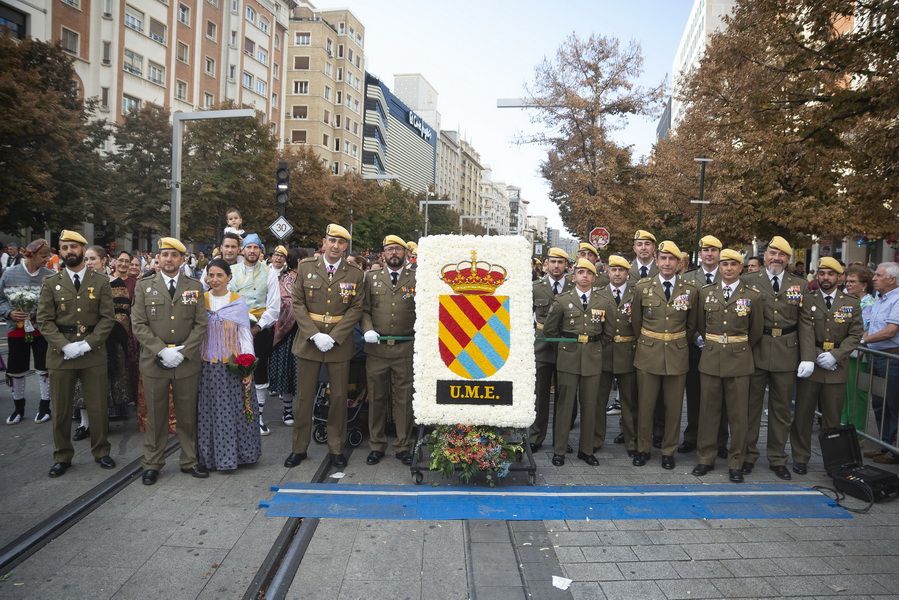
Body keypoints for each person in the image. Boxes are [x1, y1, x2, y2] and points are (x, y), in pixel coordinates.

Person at [36, 230, 116, 477]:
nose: (68, 251)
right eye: (64, 248)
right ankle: (62, 455)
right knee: (60, 408)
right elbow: (44, 320)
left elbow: (107, 318)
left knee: (98, 406)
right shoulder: (51, 283)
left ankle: (101, 451)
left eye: (73, 247)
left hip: (93, 353)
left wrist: (89, 343)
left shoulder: (100, 281)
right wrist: (64, 345)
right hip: (62, 353)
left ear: (82, 249)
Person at [285, 223, 364, 469]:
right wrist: (313, 334)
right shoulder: (306, 267)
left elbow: (356, 308)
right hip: (310, 342)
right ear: (324, 241)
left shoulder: (354, 273)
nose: (336, 246)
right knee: (305, 398)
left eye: (341, 243)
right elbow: (297, 303)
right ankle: (299, 448)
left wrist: (335, 336)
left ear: (345, 246)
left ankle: (336, 448)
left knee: (339, 398)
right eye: (332, 241)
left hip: (338, 344)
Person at [131, 237, 208, 485]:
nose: (169, 259)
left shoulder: (195, 286)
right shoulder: (144, 286)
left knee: (187, 415)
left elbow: (200, 324)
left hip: (186, 362)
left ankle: (189, 460)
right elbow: (139, 324)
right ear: (157, 258)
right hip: (155, 361)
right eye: (164, 254)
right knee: (156, 415)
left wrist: (183, 352)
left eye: (174, 255)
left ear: (182, 259)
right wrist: (161, 351)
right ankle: (152, 462)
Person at [692, 249, 763, 482]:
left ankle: (736, 461)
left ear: (741, 268)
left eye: (734, 264)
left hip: (739, 360)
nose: (729, 268)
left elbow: (755, 331)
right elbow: (701, 325)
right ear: (719, 267)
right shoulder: (706, 293)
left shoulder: (752, 295)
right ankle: (705, 458)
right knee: (708, 412)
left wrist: (735, 346)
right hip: (711, 358)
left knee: (738, 415)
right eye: (725, 264)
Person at [742, 236, 809, 480]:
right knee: (751, 407)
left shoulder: (799, 285)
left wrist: (807, 357)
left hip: (787, 351)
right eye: (772, 253)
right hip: (756, 349)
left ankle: (777, 457)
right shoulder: (749, 280)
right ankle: (747, 455)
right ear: (765, 255)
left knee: (781, 410)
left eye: (782, 255)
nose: (776, 258)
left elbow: (805, 323)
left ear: (788, 259)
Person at [790, 257, 863, 475]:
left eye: (830, 274)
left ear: (839, 277)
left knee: (832, 418)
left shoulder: (851, 302)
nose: (825, 278)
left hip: (836, 368)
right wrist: (815, 356)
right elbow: (805, 330)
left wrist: (836, 355)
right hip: (812, 364)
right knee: (803, 415)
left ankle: (834, 461)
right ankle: (800, 457)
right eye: (822, 273)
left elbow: (855, 334)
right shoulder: (808, 299)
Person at [630, 240, 699, 470]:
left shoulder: (690, 290)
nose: (667, 262)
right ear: (657, 261)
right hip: (649, 354)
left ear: (679, 263)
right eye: (663, 258)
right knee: (646, 406)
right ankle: (643, 448)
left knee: (673, 407)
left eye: (672, 259)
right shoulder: (642, 287)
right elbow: (636, 322)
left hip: (677, 355)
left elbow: (691, 325)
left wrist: (677, 342)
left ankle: (669, 450)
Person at [542, 258, 612, 466]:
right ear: (574, 277)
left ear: (594, 277)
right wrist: (565, 348)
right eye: (580, 272)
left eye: (588, 273)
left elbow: (608, 334)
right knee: (564, 405)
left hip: (592, 359)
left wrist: (594, 347)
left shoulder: (603, 301)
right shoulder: (562, 301)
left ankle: (586, 449)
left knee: (591, 405)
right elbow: (550, 331)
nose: (584, 276)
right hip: (568, 359)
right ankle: (560, 450)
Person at [196, 258, 261, 471]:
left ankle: (239, 456)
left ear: (229, 277)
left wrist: (248, 364)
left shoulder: (237, 301)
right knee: (210, 413)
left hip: (231, 366)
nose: (215, 280)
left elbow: (244, 335)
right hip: (207, 366)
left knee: (235, 412)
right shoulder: (200, 301)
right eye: (211, 275)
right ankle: (211, 458)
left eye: (220, 275)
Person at [361, 235, 417, 466]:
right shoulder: (371, 278)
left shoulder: (417, 277)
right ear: (383, 253)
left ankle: (403, 445)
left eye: (398, 249)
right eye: (389, 249)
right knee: (376, 397)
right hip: (377, 349)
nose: (394, 253)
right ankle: (377, 444)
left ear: (405, 253)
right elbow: (363, 310)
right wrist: (367, 329)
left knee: (404, 399)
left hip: (405, 347)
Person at [228, 233, 280, 436]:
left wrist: (258, 326)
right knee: (235, 368)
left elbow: (274, 306)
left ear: (260, 251)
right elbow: (227, 298)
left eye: (255, 248)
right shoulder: (232, 271)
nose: (252, 251)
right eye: (248, 247)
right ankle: (236, 415)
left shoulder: (269, 273)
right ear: (243, 250)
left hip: (260, 329)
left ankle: (257, 417)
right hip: (235, 328)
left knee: (259, 371)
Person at [680, 235, 726, 456]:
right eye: (705, 250)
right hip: (694, 345)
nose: (709, 254)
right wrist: (696, 336)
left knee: (722, 396)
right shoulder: (688, 278)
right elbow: (683, 312)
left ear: (719, 253)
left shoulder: (730, 276)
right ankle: (692, 436)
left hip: (722, 347)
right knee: (695, 392)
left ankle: (721, 440)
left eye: (714, 250)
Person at [0, 239, 54, 424]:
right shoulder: (10, 273)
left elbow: (55, 302)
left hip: (41, 330)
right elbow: (1, 299)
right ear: (31, 255)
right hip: (16, 329)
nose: (47, 259)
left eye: (48, 255)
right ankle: (18, 408)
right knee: (16, 370)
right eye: (43, 255)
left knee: (44, 368)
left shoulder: (50, 275)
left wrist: (42, 314)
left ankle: (44, 407)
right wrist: (9, 312)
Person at [595, 255, 638, 456]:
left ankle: (631, 441)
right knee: (599, 400)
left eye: (621, 270)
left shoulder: (636, 293)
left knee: (629, 402)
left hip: (628, 353)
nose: (617, 273)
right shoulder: (599, 295)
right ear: (608, 272)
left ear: (627, 273)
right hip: (604, 353)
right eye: (614, 270)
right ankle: (596, 439)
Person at [529, 248, 571, 452]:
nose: (556, 266)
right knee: (540, 394)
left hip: (566, 345)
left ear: (566, 265)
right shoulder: (536, 287)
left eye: (560, 262)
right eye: (553, 261)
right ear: (546, 264)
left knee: (565, 396)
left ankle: (561, 440)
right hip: (542, 345)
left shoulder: (573, 286)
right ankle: (536, 437)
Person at [861, 262, 899, 464]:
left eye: (878, 275)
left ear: (891, 279)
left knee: (891, 404)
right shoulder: (879, 298)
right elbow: (873, 327)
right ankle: (885, 445)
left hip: (891, 359)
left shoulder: (898, 299)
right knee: (878, 403)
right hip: (876, 357)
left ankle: (893, 449)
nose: (874, 278)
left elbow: (891, 331)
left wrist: (864, 340)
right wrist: (866, 336)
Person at [269, 248, 305, 425]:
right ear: (298, 261)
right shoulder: (285, 279)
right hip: (290, 332)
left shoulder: (310, 277)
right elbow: (287, 305)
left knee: (306, 374)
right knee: (288, 373)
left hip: (308, 331)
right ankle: (288, 410)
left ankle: (308, 409)